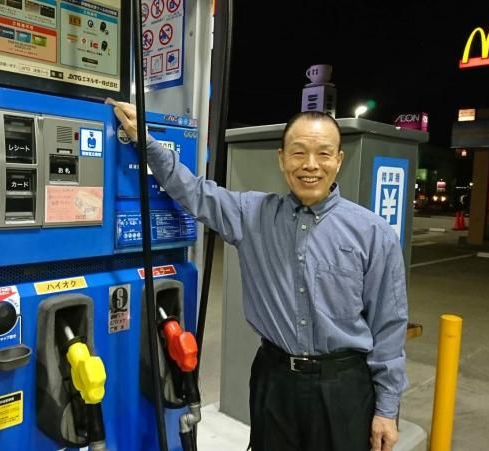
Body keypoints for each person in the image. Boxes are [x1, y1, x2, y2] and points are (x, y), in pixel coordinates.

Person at [107, 98, 408, 451]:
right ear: (282, 159)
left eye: (324, 154)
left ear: (338, 160)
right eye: (298, 153)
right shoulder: (252, 214)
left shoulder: (372, 233)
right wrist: (146, 141)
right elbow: (194, 192)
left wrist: (386, 410)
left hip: (343, 388)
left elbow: (389, 326)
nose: (310, 165)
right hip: (275, 382)